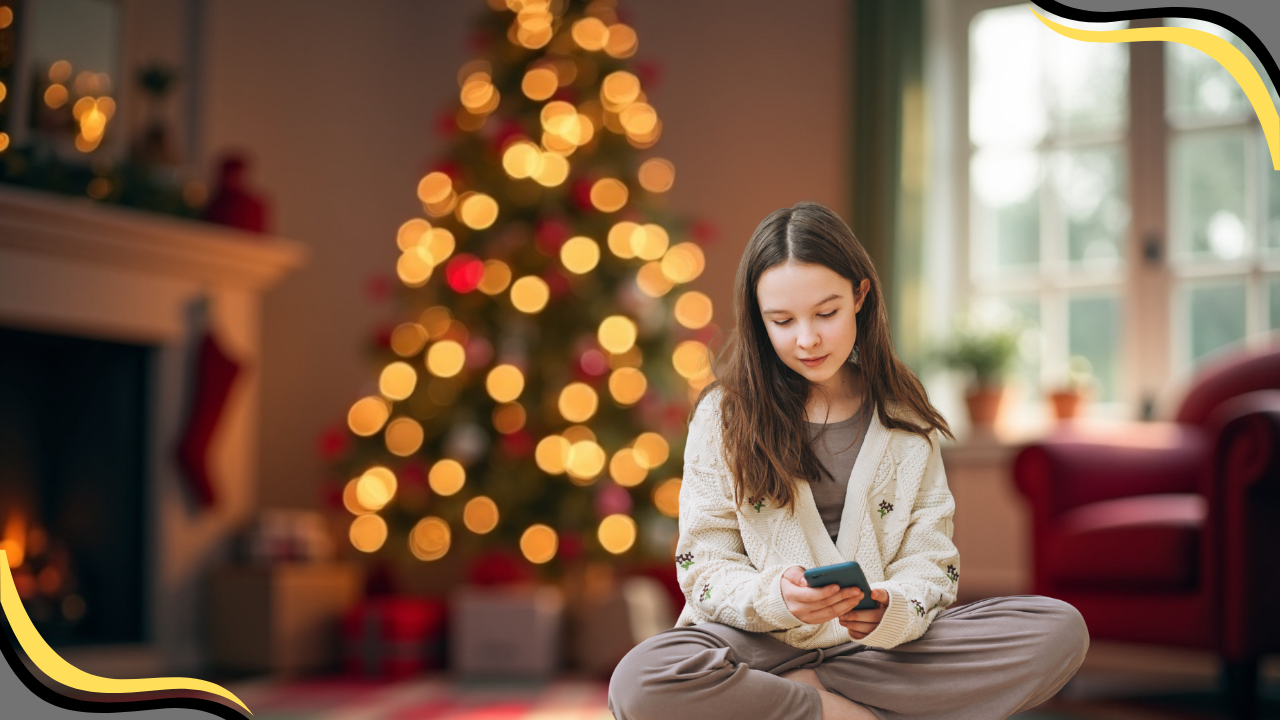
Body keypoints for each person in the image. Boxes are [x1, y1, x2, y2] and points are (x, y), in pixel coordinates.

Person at [608, 202, 1088, 719]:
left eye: (826, 313)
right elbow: (702, 564)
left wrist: (888, 607)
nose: (807, 339)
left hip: (877, 653)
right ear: (756, 316)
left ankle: (802, 692)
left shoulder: (905, 416)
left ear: (860, 296)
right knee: (641, 680)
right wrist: (778, 598)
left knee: (1060, 628)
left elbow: (933, 563)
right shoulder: (723, 416)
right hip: (755, 643)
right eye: (782, 320)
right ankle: (843, 711)